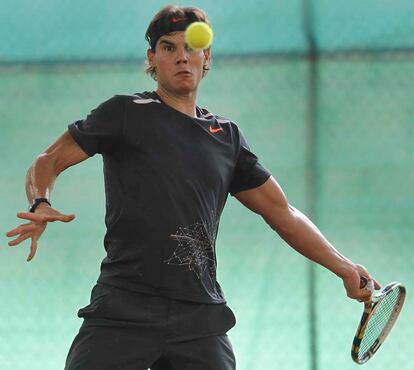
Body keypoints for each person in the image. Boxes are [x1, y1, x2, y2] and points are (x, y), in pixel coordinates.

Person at [6, 4, 379, 370]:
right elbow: (48, 160)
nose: (182, 57)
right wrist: (40, 201)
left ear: (206, 56)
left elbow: (282, 213)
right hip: (124, 306)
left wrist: (344, 268)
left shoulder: (227, 138)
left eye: (191, 47)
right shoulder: (124, 113)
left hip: (199, 316)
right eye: (169, 47)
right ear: (152, 58)